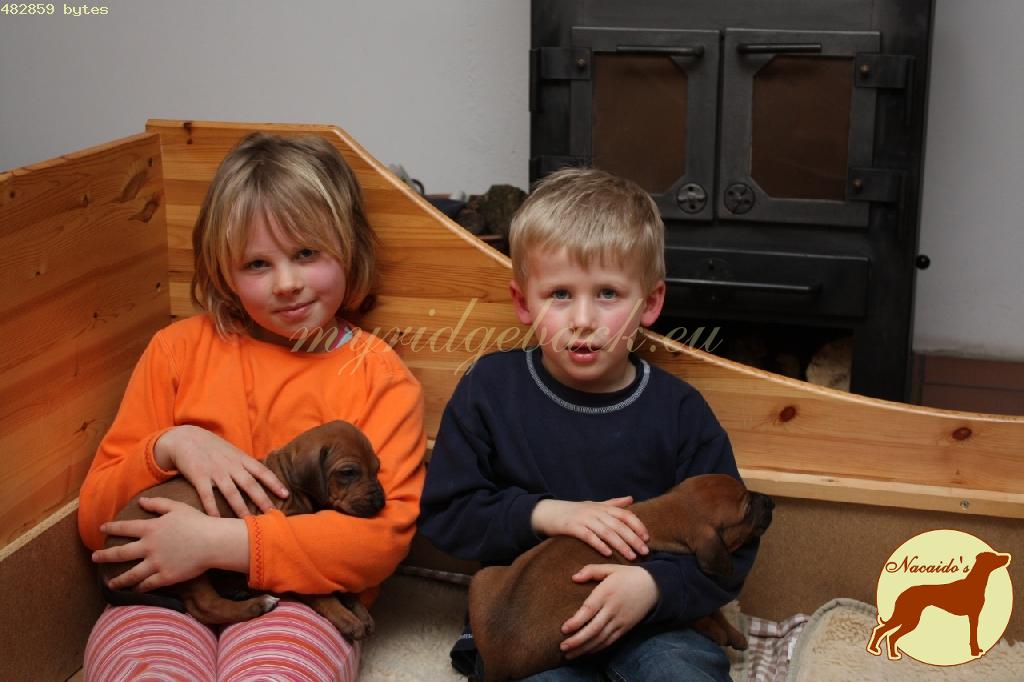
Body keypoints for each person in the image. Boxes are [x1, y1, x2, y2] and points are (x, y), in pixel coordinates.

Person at [78, 132, 426, 681]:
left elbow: (381, 541)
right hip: (160, 588)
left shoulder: (379, 377)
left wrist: (218, 544)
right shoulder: (176, 351)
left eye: (306, 253)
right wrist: (170, 446)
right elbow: (96, 520)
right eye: (257, 263)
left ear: (350, 249)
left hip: (305, 597)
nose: (286, 283)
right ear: (223, 271)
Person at [418, 167, 757, 681]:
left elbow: (737, 536)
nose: (583, 319)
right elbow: (447, 512)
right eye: (559, 294)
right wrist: (544, 514)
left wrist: (654, 588)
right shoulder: (490, 389)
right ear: (523, 302)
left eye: (607, 294)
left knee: (681, 671)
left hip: (652, 621)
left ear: (650, 303)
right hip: (533, 621)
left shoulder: (680, 411)